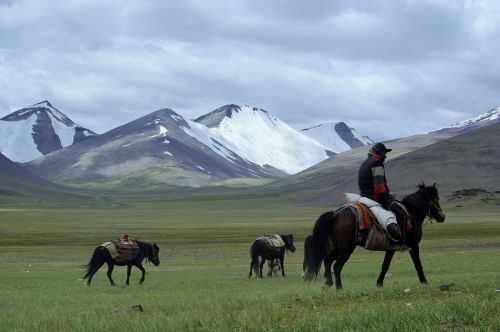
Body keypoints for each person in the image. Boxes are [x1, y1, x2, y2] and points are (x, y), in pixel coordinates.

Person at [358, 143, 408, 243]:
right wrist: (386, 197)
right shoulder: (377, 163)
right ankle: (400, 241)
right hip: (374, 197)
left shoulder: (366, 162)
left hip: (364, 196)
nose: (385, 155)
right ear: (379, 152)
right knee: (401, 213)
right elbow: (379, 186)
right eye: (384, 153)